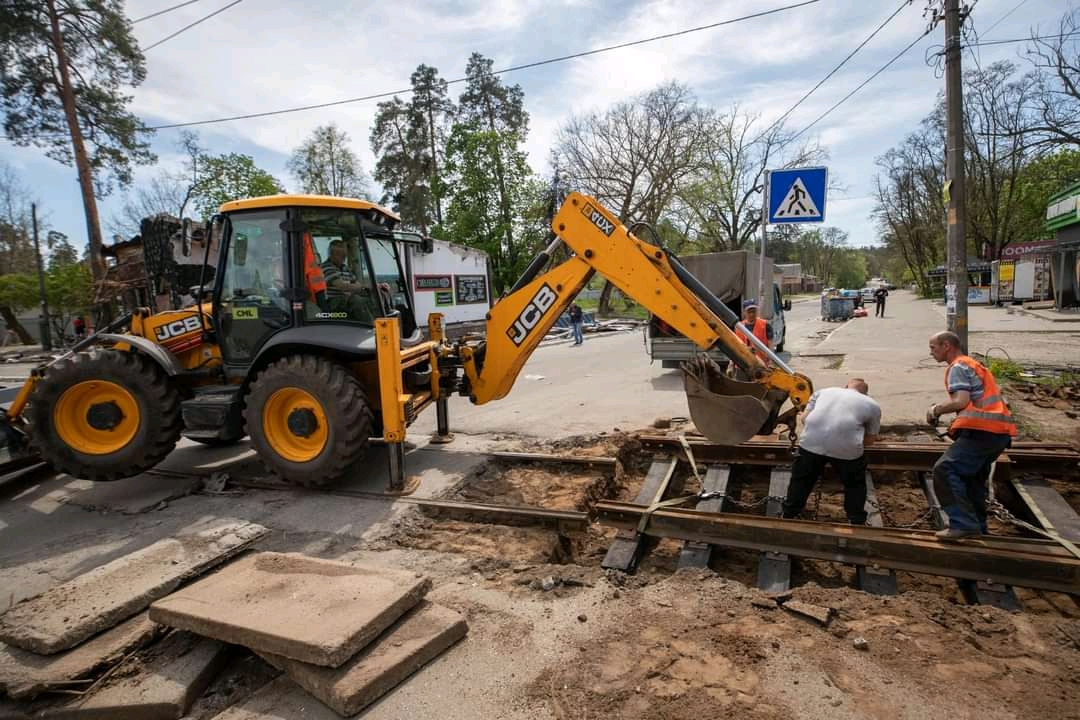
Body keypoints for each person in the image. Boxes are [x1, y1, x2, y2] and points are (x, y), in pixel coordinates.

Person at [926, 331, 1017, 540]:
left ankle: (963, 524)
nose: (931, 352)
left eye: (933, 347)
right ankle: (978, 527)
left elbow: (961, 400)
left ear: (946, 345)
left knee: (945, 469)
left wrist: (935, 410)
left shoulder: (958, 366)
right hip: (997, 434)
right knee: (971, 480)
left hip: (982, 432)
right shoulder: (973, 364)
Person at [781, 378, 881, 525]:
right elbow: (870, 440)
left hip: (811, 444)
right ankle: (856, 519)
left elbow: (805, 419)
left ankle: (789, 514)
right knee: (854, 484)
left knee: (801, 480)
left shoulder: (823, 392)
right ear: (865, 393)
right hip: (847, 450)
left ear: (845, 386)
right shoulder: (872, 405)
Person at [320, 239, 373, 320]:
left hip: (346, 299)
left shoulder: (345, 268)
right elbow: (341, 286)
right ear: (332, 254)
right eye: (341, 255)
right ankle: (371, 327)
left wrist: (361, 288)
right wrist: (356, 287)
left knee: (374, 297)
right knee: (356, 300)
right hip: (332, 302)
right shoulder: (326, 267)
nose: (344, 258)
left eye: (345, 255)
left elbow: (357, 284)